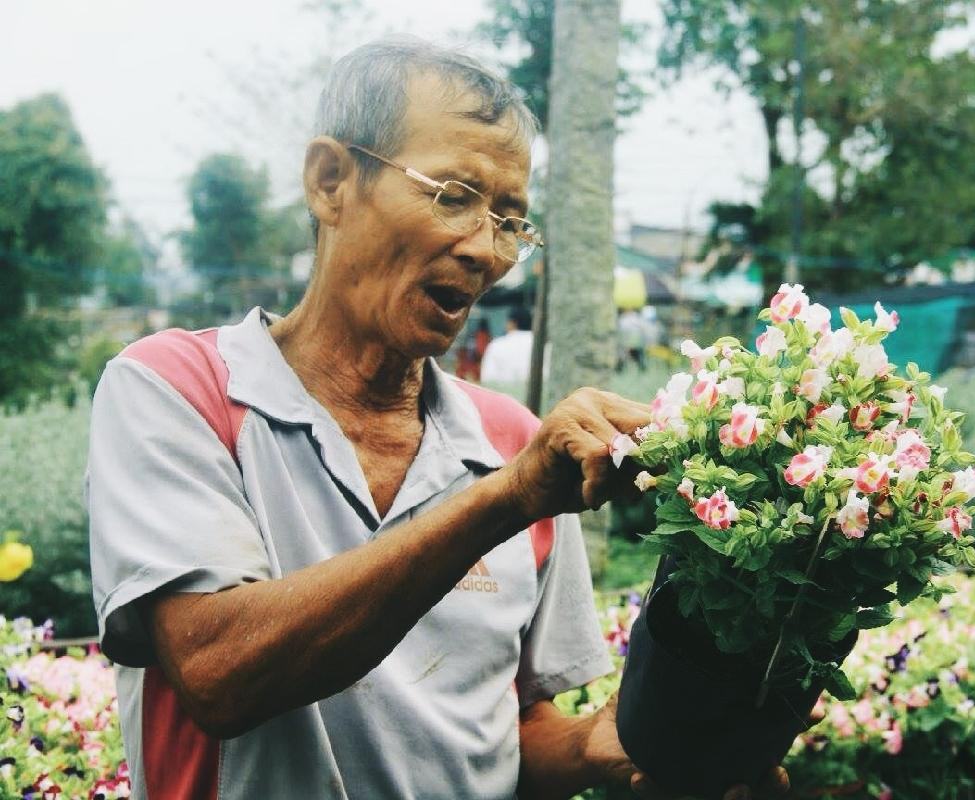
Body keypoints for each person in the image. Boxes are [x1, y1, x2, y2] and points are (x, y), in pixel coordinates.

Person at [87, 37, 787, 800]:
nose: (485, 250)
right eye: (454, 195)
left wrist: (609, 747)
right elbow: (217, 673)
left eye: (512, 222)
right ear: (330, 182)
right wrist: (505, 499)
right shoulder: (180, 389)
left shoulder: (512, 439)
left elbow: (513, 731)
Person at [480, 306, 533, 385]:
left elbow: (487, 379)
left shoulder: (496, 345)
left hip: (504, 395)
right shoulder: (544, 346)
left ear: (512, 323)